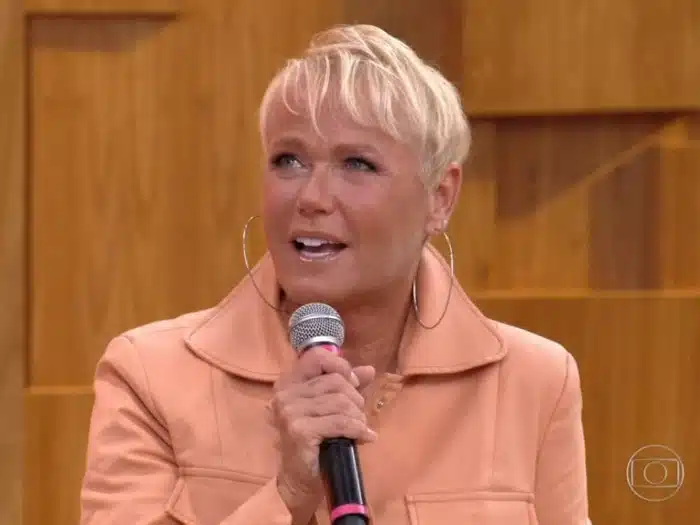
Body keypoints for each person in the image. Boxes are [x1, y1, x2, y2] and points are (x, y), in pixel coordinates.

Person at [79, 24, 591, 525]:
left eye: (358, 164)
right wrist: (287, 494)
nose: (312, 197)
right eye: (289, 161)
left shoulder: (536, 383)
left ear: (440, 198)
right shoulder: (151, 377)